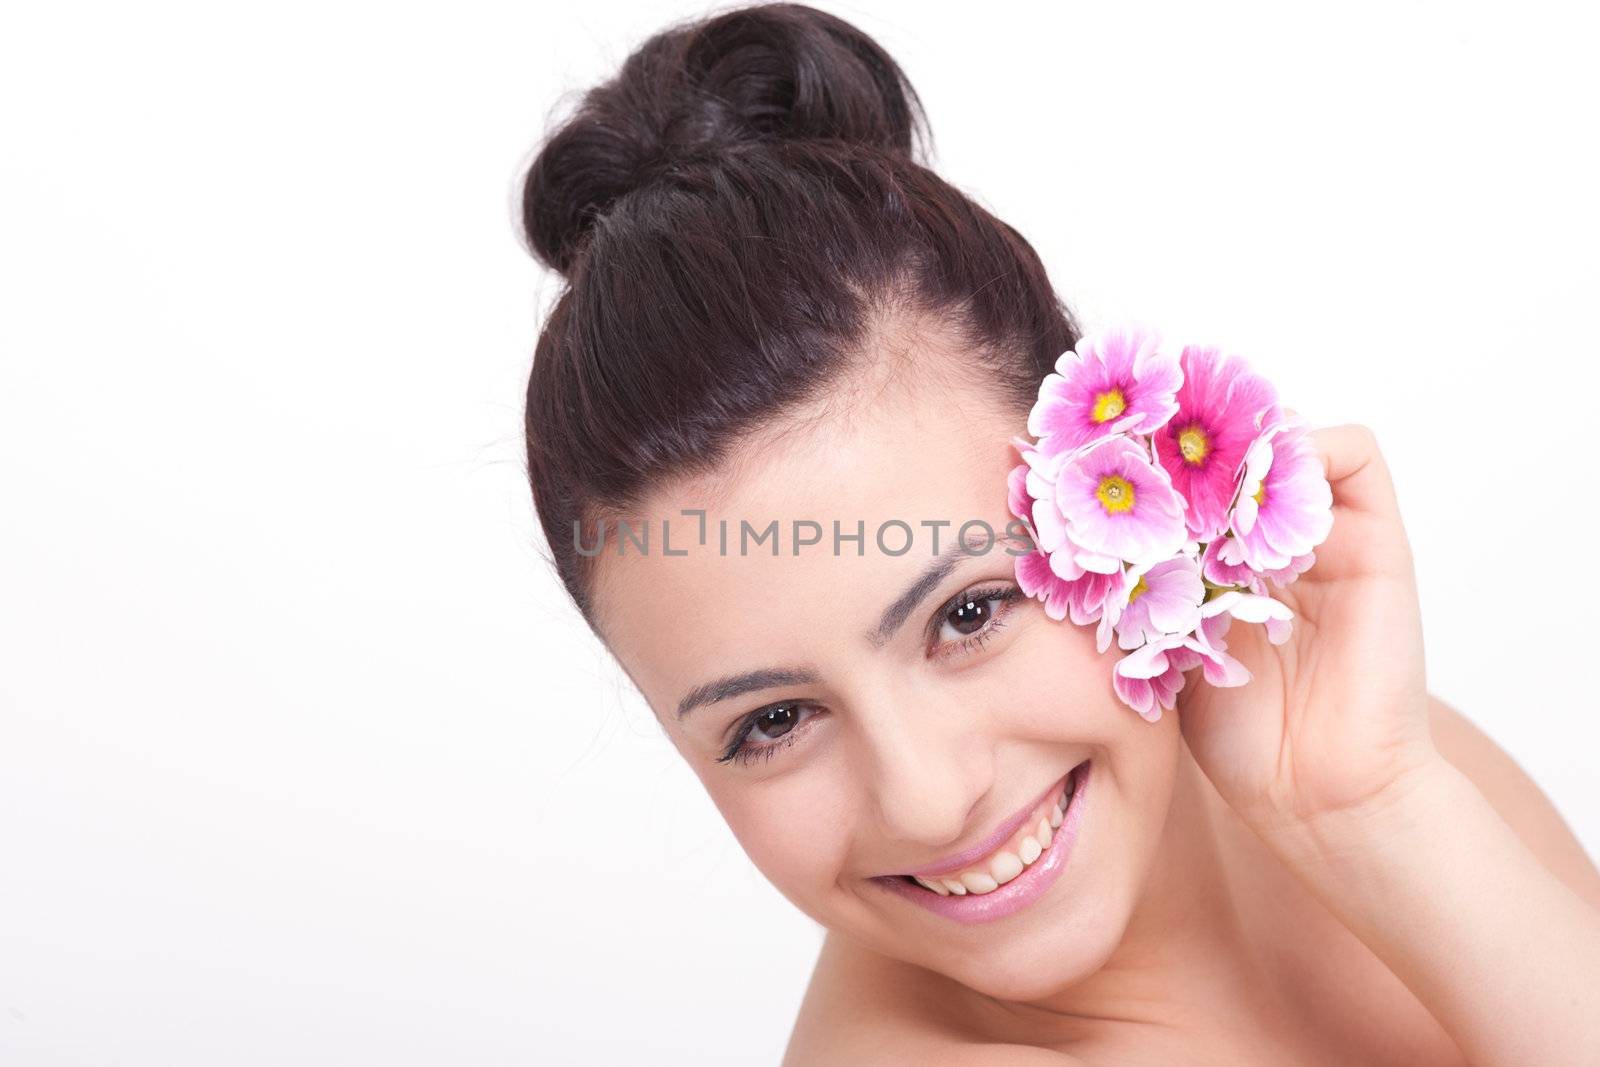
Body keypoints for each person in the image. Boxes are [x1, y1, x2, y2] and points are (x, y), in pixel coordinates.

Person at [516, 4, 1600, 1062]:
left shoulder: (1345, 761)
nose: (927, 796)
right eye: (774, 719)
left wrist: (1373, 809)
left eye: (969, 612)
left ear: (1120, 492)